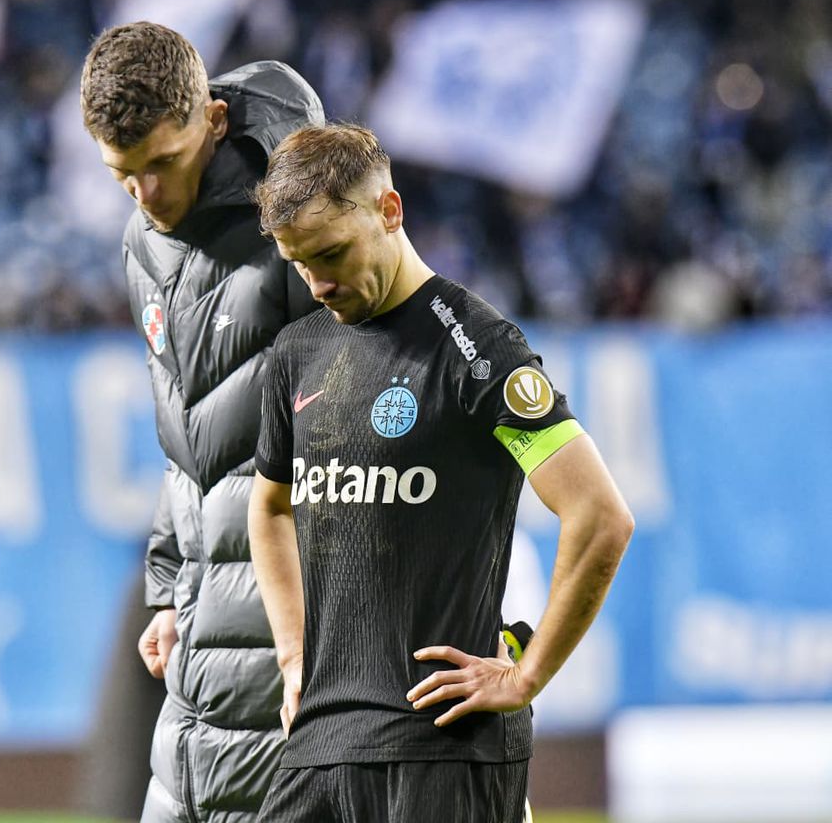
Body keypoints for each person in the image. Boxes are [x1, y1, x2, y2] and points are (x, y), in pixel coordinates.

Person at [248, 124, 634, 821]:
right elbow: (271, 507)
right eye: (299, 264)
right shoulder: (296, 352)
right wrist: (292, 652)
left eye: (332, 253)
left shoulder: (477, 348)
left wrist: (526, 676)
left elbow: (600, 515)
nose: (319, 283)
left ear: (390, 211)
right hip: (318, 744)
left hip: (444, 749)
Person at [79, 22, 325, 821]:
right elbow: (186, 440)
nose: (146, 196)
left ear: (214, 121)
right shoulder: (143, 247)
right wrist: (166, 587)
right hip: (198, 638)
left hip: (294, 639)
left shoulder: (307, 226)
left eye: (163, 164)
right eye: (123, 176)